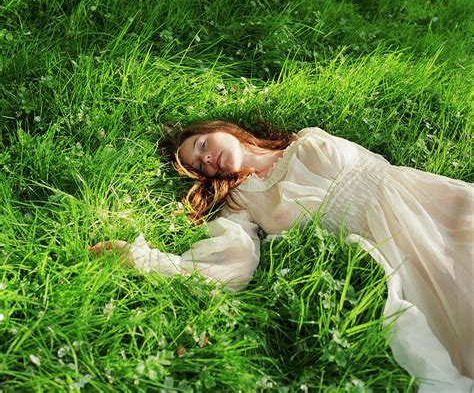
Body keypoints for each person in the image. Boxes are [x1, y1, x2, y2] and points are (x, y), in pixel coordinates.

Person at [88, 120, 474, 392]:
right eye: (196, 165)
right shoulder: (241, 203)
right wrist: (147, 260)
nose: (207, 159)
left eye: (203, 145)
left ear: (223, 129)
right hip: (392, 243)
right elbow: (234, 267)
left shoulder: (301, 139)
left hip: (429, 199)